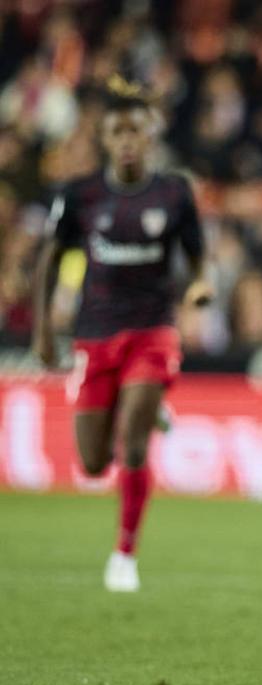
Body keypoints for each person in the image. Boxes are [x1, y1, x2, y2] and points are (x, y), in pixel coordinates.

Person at [32, 75, 212, 592]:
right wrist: (44, 331)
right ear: (105, 139)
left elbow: (197, 255)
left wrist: (199, 286)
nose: (128, 140)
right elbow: (50, 259)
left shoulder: (174, 192)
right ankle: (149, 406)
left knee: (132, 447)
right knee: (93, 464)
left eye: (136, 130)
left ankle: (124, 554)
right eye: (118, 132)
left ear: (149, 135)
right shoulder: (81, 194)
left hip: (152, 330)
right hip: (94, 333)